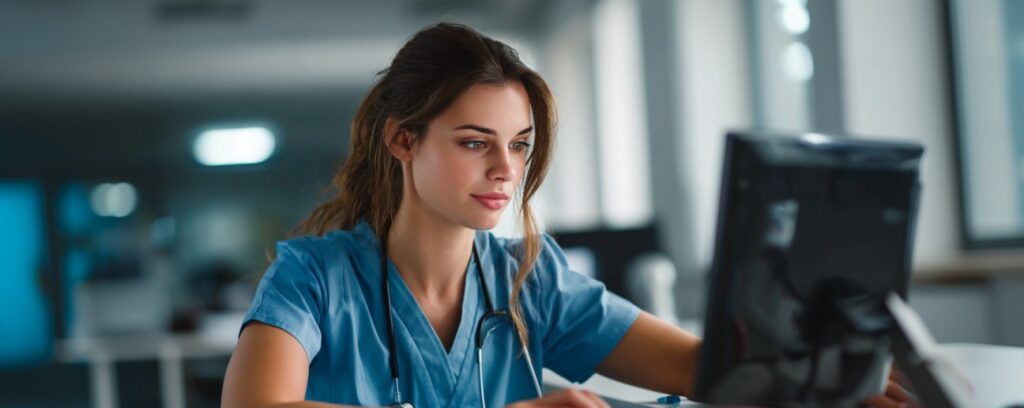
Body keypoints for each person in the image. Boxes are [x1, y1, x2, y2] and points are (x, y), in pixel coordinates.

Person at [222, 22, 915, 408]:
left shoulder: (529, 279)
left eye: (518, 147)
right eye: (474, 143)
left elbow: (696, 368)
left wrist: (821, 383)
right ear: (403, 140)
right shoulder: (313, 278)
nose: (505, 170)